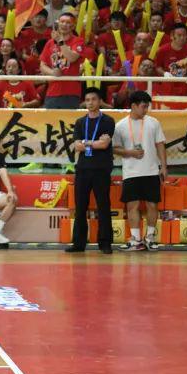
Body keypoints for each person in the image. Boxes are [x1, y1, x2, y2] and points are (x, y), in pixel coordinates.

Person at [112, 90, 167, 251]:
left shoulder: (154, 122)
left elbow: (160, 144)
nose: (146, 110)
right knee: (132, 206)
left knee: (152, 205)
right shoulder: (120, 125)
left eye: (147, 106)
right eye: (143, 106)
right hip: (131, 172)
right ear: (133, 106)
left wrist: (163, 166)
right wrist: (130, 153)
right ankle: (135, 239)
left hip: (151, 170)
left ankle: (150, 237)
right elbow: (114, 148)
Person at [66, 87, 116, 255]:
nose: (90, 103)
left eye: (94, 99)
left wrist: (86, 142)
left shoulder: (108, 121)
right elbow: (77, 146)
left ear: (100, 101)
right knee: (80, 207)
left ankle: (105, 243)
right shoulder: (80, 122)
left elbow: (104, 144)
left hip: (101, 169)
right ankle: (78, 243)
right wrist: (93, 143)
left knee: (103, 206)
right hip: (83, 169)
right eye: (87, 100)